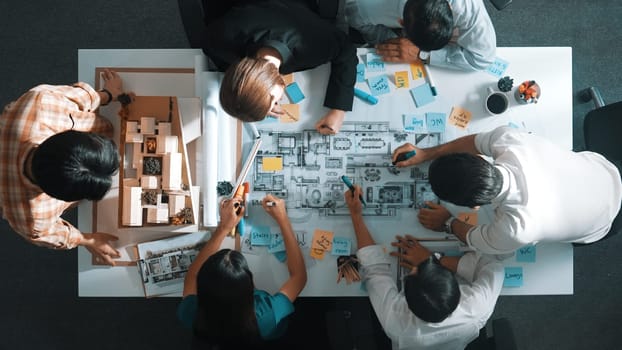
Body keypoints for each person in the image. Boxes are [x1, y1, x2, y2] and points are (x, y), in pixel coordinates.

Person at [392, 126, 622, 254]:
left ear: (475, 206)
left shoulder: (516, 230)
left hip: (604, 221)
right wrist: (426, 153)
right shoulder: (510, 139)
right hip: (605, 169)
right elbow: (474, 142)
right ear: (481, 160)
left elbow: (472, 237)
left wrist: (448, 222)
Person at [344, 185, 503, 349]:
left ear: (406, 300)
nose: (415, 267)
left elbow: (375, 271)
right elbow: (494, 266)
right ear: (455, 288)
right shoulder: (476, 308)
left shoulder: (396, 322)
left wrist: (355, 215)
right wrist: (434, 260)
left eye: (414, 270)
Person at [0, 69, 129, 265]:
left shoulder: (39, 103)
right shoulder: (32, 219)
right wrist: (88, 239)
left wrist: (107, 94)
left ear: (65, 135)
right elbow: (55, 235)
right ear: (63, 198)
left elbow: (77, 99)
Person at [201, 0, 357, 134]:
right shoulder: (220, 40)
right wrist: (258, 94)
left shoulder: (310, 47)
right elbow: (208, 46)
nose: (280, 98)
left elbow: (346, 49)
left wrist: (338, 110)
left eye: (275, 98)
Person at [178, 194, 307, 349]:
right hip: (267, 335)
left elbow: (192, 276)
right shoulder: (266, 314)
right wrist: (283, 219)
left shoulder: (191, 312)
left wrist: (223, 228)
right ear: (250, 284)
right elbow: (299, 277)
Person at [345, 0, 496, 71]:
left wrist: (422, 55)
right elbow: (352, 17)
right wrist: (388, 40)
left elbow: (483, 59)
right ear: (401, 22)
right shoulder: (366, 5)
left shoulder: (468, 8)